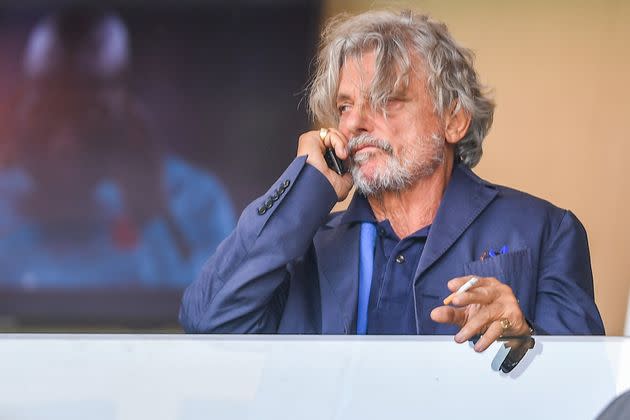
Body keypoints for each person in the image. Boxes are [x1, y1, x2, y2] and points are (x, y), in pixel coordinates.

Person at [179, 9, 604, 350]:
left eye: (385, 101)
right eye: (345, 106)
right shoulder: (303, 243)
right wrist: (303, 187)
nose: (357, 123)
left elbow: (588, 396)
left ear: (454, 119)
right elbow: (208, 320)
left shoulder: (547, 230)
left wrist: (523, 337)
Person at [0, 9, 235, 288]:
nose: (67, 137)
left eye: (87, 100)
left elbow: (210, 312)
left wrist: (153, 215)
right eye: (52, 98)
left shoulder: (196, 199)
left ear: (129, 103)